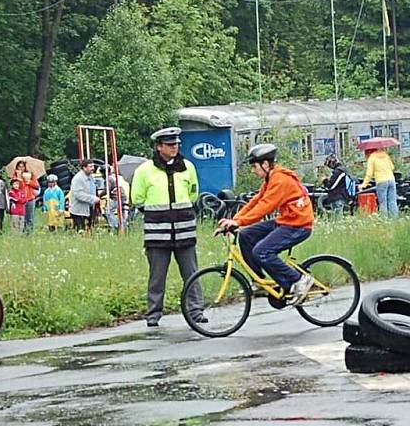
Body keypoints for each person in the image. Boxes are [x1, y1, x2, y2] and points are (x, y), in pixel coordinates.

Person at [218, 143, 315, 306]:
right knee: (246, 236)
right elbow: (256, 201)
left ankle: (299, 280)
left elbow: (265, 207)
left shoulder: (280, 180)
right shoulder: (270, 178)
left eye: (254, 166)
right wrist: (234, 220)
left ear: (265, 164)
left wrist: (238, 221)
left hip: (299, 225)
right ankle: (260, 282)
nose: (252, 170)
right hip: (286, 221)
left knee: (262, 251)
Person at [131, 127, 204, 327]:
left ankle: (196, 310)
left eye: (177, 144)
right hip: (157, 233)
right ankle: (153, 313)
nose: (175, 148)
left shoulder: (187, 167)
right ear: (159, 147)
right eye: (170, 145)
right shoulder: (144, 170)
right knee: (157, 276)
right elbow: (137, 198)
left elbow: (193, 193)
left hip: (184, 230)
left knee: (191, 273)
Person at [360, 147, 398, 217]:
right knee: (392, 201)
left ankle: (384, 219)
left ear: (368, 152)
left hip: (381, 181)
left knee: (383, 202)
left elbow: (369, 174)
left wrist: (363, 185)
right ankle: (394, 219)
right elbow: (392, 167)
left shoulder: (372, 158)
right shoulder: (385, 155)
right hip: (391, 180)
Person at [70, 159, 99, 233]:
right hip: (79, 210)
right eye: (90, 166)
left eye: (93, 166)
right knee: (81, 230)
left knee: (90, 229)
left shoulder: (91, 177)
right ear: (84, 167)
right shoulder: (78, 179)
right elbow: (78, 194)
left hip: (90, 208)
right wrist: (92, 198)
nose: (93, 168)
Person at [12, 161, 39, 233]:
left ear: (25, 167)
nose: (21, 168)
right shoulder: (15, 176)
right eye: (19, 167)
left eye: (22, 166)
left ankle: (29, 232)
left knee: (30, 217)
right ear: (17, 167)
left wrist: (29, 182)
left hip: (30, 198)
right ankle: (21, 231)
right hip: (20, 200)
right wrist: (19, 178)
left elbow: (36, 186)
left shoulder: (31, 174)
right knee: (21, 217)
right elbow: (16, 187)